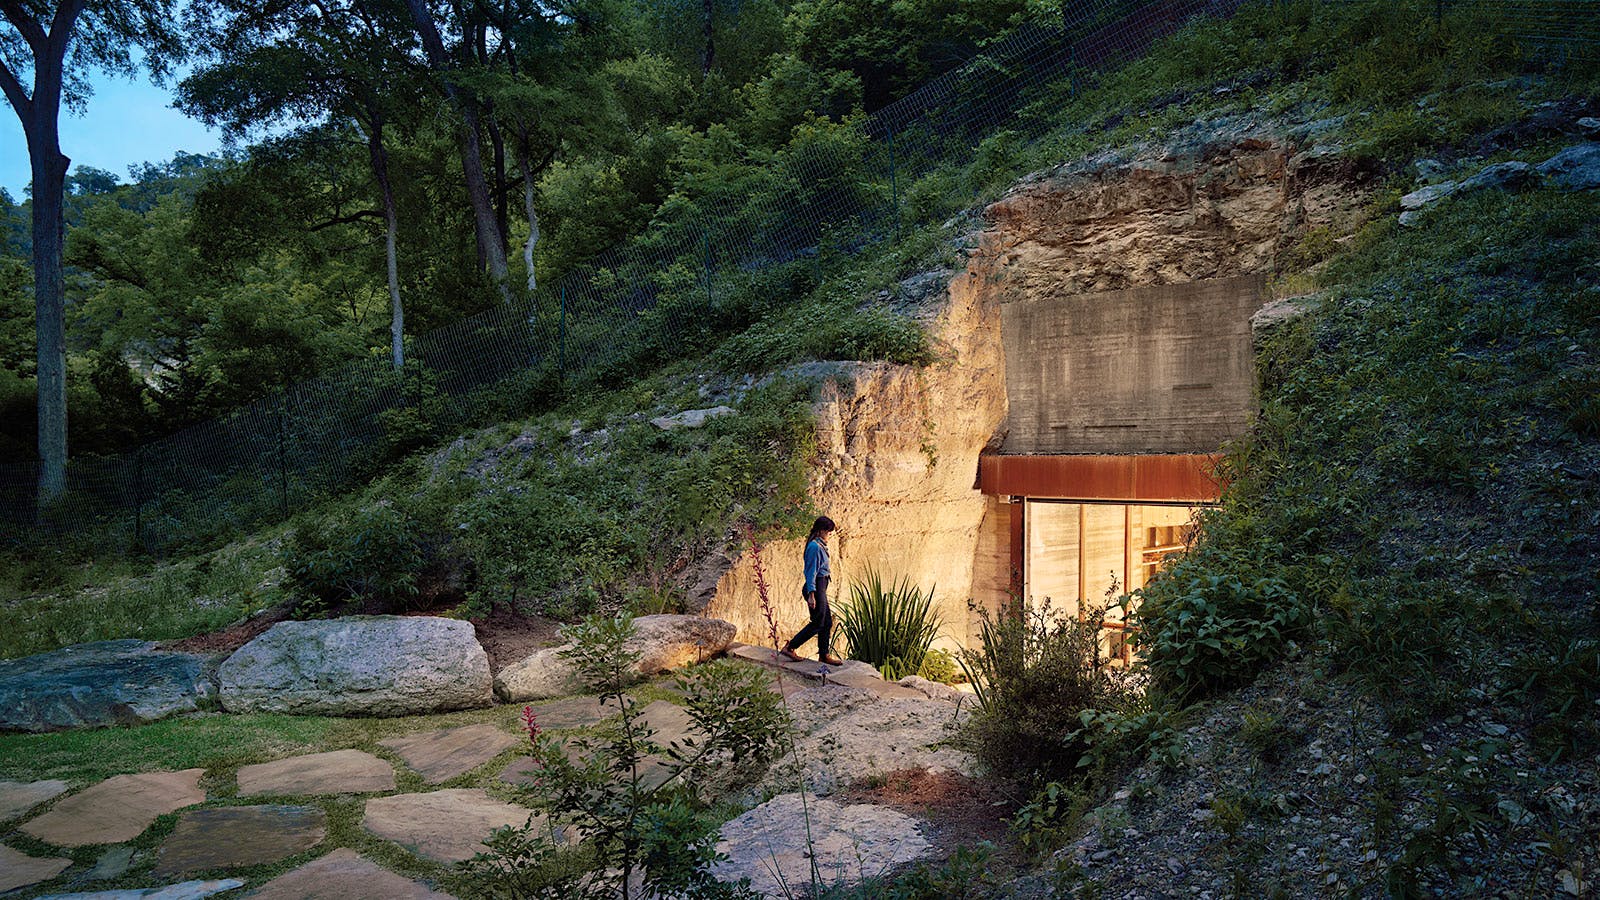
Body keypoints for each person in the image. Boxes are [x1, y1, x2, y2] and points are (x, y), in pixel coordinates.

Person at [780, 515, 842, 665]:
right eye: (828, 532)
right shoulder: (814, 547)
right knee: (818, 622)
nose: (830, 535)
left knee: (826, 621)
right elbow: (810, 572)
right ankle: (790, 647)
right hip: (816, 586)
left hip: (821, 585)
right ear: (821, 531)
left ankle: (823, 654)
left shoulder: (820, 544)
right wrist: (811, 594)